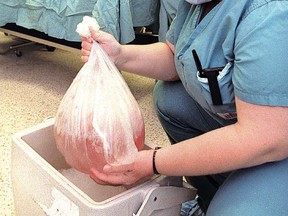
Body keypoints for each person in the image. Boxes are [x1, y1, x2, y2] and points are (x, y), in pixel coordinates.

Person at [80, 0, 288, 215]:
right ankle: (210, 198)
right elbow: (176, 56)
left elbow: (264, 138)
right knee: (171, 98)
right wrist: (120, 55)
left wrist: (153, 162)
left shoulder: (270, 13)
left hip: (276, 141)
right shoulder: (197, 4)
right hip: (254, 125)